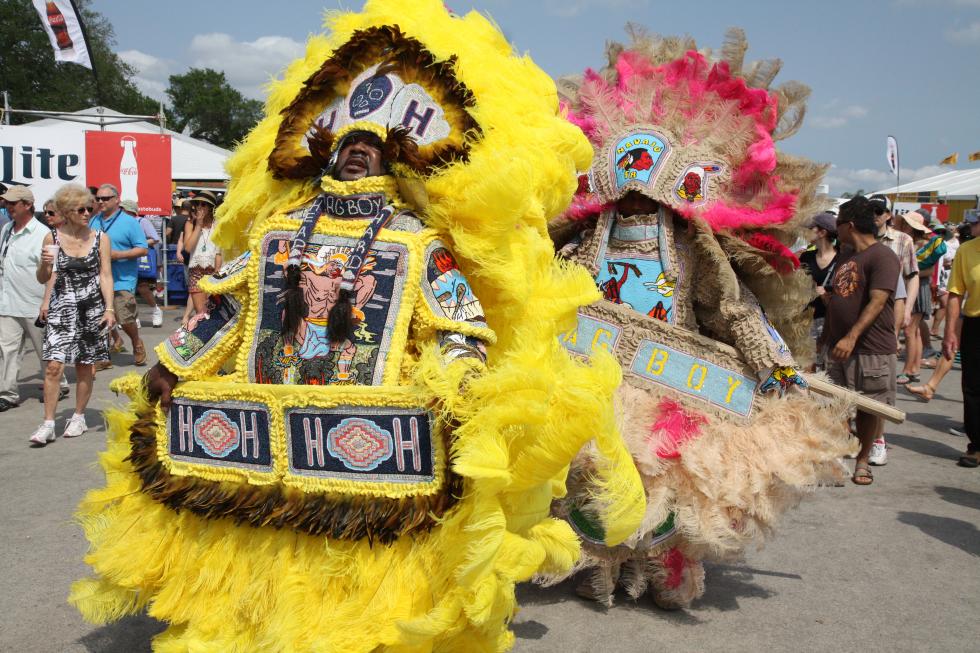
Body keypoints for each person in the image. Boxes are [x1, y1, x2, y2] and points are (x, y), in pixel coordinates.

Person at [69, 4, 641, 650]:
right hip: (269, 424)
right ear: (324, 154)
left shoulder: (415, 241)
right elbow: (230, 310)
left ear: (395, 161)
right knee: (265, 544)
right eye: (346, 146)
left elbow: (458, 327)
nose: (356, 156)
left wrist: (460, 389)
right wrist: (174, 361)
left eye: (370, 149)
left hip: (372, 439)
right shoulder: (275, 233)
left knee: (363, 564)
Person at [545, 30, 851, 609]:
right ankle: (600, 567)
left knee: (667, 489)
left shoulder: (691, 248)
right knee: (590, 481)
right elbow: (548, 292)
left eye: (646, 190)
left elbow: (732, 307)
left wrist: (772, 364)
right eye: (625, 188)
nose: (635, 199)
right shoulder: (584, 241)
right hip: (593, 377)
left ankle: (662, 568)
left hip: (671, 379)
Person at [30, 184, 115, 445]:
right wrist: (45, 263)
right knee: (54, 365)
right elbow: (44, 277)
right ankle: (47, 423)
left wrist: (110, 308)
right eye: (82, 209)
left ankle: (78, 416)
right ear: (67, 211)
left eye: (91, 208)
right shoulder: (52, 238)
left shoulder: (100, 238)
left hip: (91, 308)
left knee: (84, 365)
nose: (88, 212)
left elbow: (105, 274)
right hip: (61, 308)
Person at [825, 196, 901, 485]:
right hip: (836, 347)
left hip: (870, 350)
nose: (836, 230)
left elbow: (878, 301)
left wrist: (851, 336)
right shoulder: (846, 254)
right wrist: (827, 341)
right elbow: (839, 298)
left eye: (838, 225)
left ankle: (862, 461)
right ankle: (840, 456)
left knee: (870, 408)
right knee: (835, 405)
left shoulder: (883, 257)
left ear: (851, 225)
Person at [0, 186, 69, 412]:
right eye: (7, 202)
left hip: (35, 303)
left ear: (27, 205)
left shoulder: (43, 234)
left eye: (13, 203)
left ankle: (59, 384)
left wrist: (46, 302)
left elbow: (53, 271)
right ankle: (7, 393)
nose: (8, 206)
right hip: (8, 303)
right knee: (6, 350)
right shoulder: (6, 230)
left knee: (46, 351)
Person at [89, 184, 148, 367]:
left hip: (122, 279)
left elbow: (143, 249)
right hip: (97, 279)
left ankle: (136, 341)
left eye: (105, 198)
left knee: (124, 318)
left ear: (117, 200)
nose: (100, 202)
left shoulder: (129, 222)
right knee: (97, 316)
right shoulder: (93, 221)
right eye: (98, 198)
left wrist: (117, 255)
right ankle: (102, 356)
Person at [943, 211, 980, 467]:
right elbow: (955, 293)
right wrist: (949, 332)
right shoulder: (967, 251)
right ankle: (976, 445)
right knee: (974, 388)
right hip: (975, 325)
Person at [800, 211, 838, 369]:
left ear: (822, 232)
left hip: (830, 321)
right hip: (805, 319)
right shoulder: (806, 258)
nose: (807, 232)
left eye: (811, 229)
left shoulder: (842, 259)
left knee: (826, 366)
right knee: (806, 364)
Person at [121, 199, 164, 328]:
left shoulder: (142, 221)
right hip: (125, 259)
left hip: (140, 258)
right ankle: (134, 317)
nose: (120, 211)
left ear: (129, 210)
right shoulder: (120, 223)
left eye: (122, 209)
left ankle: (156, 310)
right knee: (128, 290)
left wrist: (139, 245)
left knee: (143, 288)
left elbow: (156, 239)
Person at [181, 190, 221, 319]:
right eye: (197, 203)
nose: (199, 207)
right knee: (201, 314)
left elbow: (219, 251)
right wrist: (198, 225)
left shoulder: (218, 225)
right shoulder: (190, 224)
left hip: (212, 271)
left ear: (210, 208)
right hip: (196, 271)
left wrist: (217, 271)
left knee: (213, 313)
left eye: (203, 204)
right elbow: (187, 247)